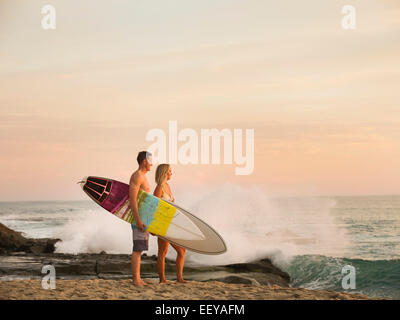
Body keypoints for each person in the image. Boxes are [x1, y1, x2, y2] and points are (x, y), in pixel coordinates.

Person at [153, 164, 187, 283]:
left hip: (171, 223)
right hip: (162, 224)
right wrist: (153, 226)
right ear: (164, 173)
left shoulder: (167, 186)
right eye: (170, 171)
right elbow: (153, 206)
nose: (171, 173)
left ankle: (179, 277)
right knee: (163, 252)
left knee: (182, 250)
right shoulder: (159, 188)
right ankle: (162, 279)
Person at [129, 151, 152, 286]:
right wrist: (137, 219)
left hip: (144, 218)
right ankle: (135, 279)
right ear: (144, 161)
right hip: (139, 219)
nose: (152, 164)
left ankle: (138, 278)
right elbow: (132, 199)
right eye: (150, 161)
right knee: (137, 249)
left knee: (140, 248)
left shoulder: (143, 176)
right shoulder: (137, 176)